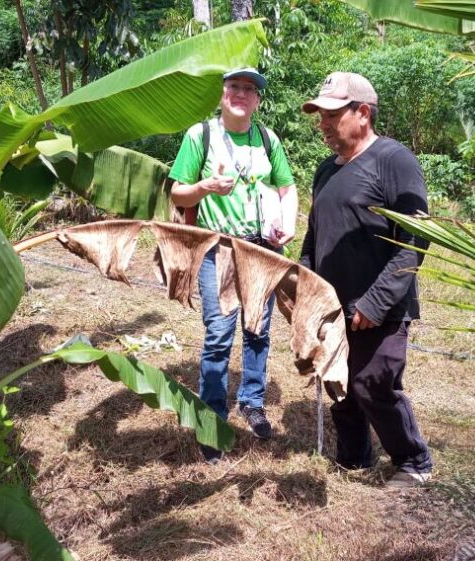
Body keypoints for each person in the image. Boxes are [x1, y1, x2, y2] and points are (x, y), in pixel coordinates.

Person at [299, 72, 433, 487]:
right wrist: (303, 289)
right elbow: (315, 234)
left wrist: (375, 303)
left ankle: (414, 462)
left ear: (362, 113)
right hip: (331, 305)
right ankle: (354, 458)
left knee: (372, 383)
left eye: (332, 114)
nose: (322, 122)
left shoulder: (394, 160)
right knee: (340, 382)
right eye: (320, 114)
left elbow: (416, 238)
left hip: (381, 306)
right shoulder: (326, 170)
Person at [169, 68, 298, 463]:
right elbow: (177, 192)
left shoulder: (267, 139)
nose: (241, 94)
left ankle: (252, 401)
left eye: (249, 89)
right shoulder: (200, 136)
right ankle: (212, 419)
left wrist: (288, 224)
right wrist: (205, 186)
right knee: (219, 333)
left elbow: (287, 187)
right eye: (234, 88)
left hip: (262, 250)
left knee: (258, 330)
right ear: (222, 96)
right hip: (218, 249)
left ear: (257, 100)